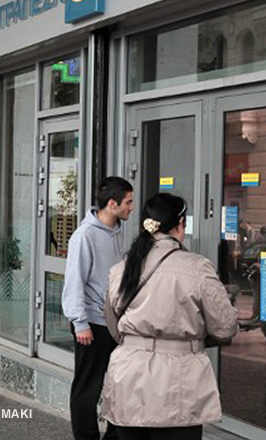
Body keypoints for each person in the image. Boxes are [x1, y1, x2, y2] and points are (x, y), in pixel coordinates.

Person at [102, 193, 239, 440]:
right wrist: (193, 339)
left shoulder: (122, 268)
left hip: (127, 377)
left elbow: (114, 327)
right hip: (178, 381)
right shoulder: (197, 267)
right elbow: (225, 326)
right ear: (180, 224)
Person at [62, 176, 134, 440]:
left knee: (118, 384)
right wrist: (80, 323)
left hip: (115, 323)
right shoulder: (84, 236)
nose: (131, 207)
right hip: (91, 324)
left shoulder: (118, 233)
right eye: (128, 202)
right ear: (112, 204)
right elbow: (74, 281)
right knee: (88, 389)